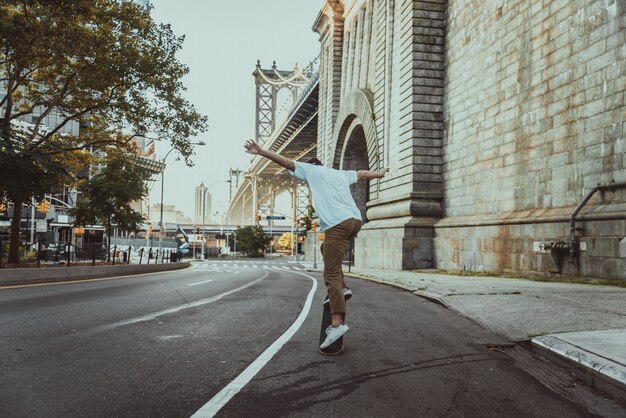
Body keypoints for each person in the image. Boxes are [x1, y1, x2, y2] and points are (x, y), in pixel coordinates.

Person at [244, 139, 389, 349]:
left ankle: (337, 323)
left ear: (310, 167)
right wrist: (381, 173)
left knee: (330, 274)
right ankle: (344, 287)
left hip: (337, 225)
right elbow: (363, 174)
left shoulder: (310, 171)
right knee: (326, 250)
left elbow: (286, 161)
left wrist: (261, 151)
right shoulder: (337, 173)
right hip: (355, 221)